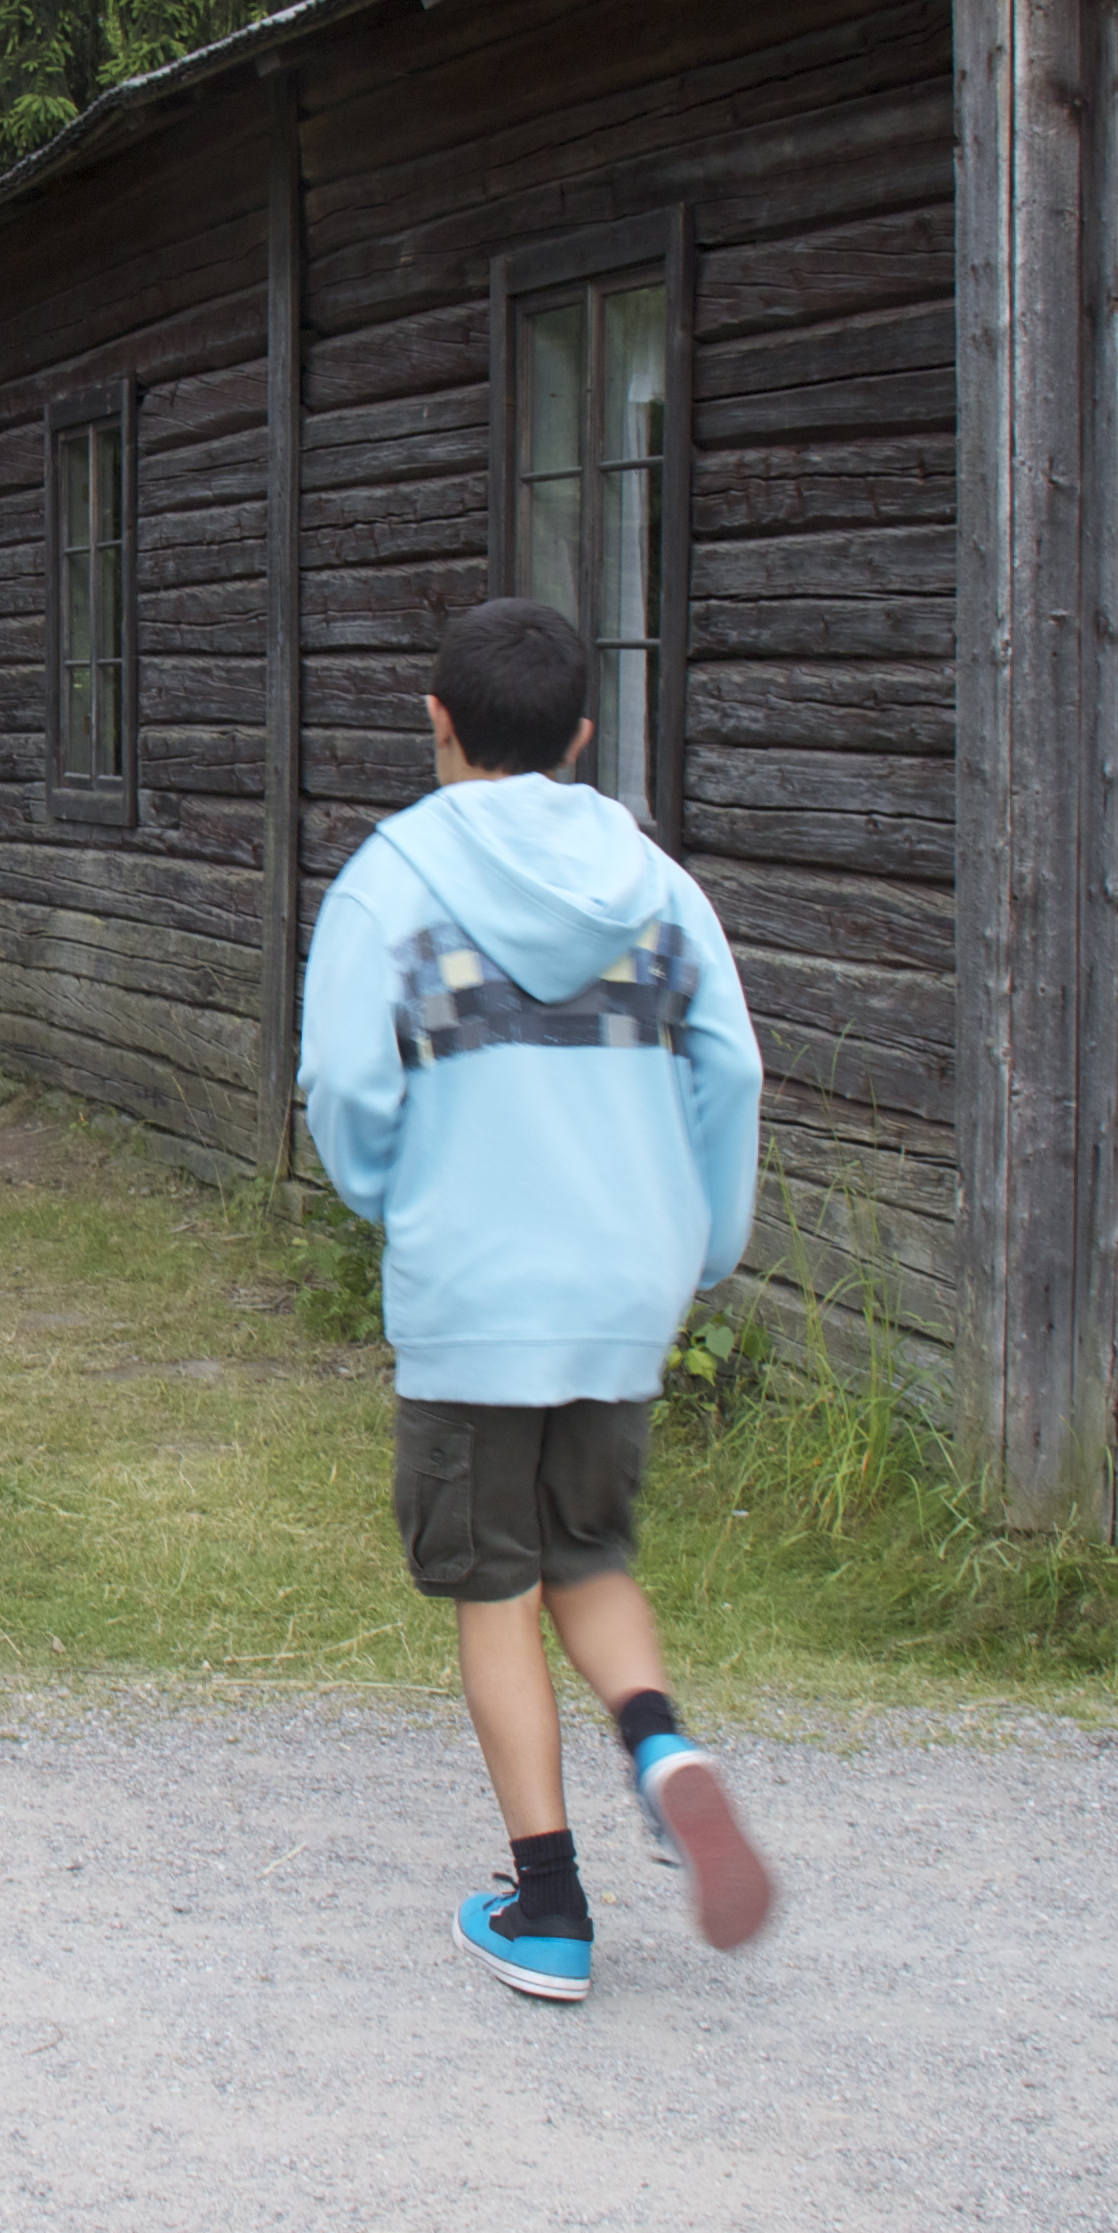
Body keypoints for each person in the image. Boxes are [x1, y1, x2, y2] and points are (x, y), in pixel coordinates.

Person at [299, 598, 772, 2001]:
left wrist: (396, 1199)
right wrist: (704, 1240)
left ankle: (550, 1907)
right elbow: (728, 1072)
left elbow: (346, 1081)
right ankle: (665, 1747)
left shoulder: (396, 875)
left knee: (493, 1581)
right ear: (578, 736)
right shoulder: (656, 881)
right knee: (593, 1552)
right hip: (624, 1281)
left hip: (475, 1281)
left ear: (437, 722)